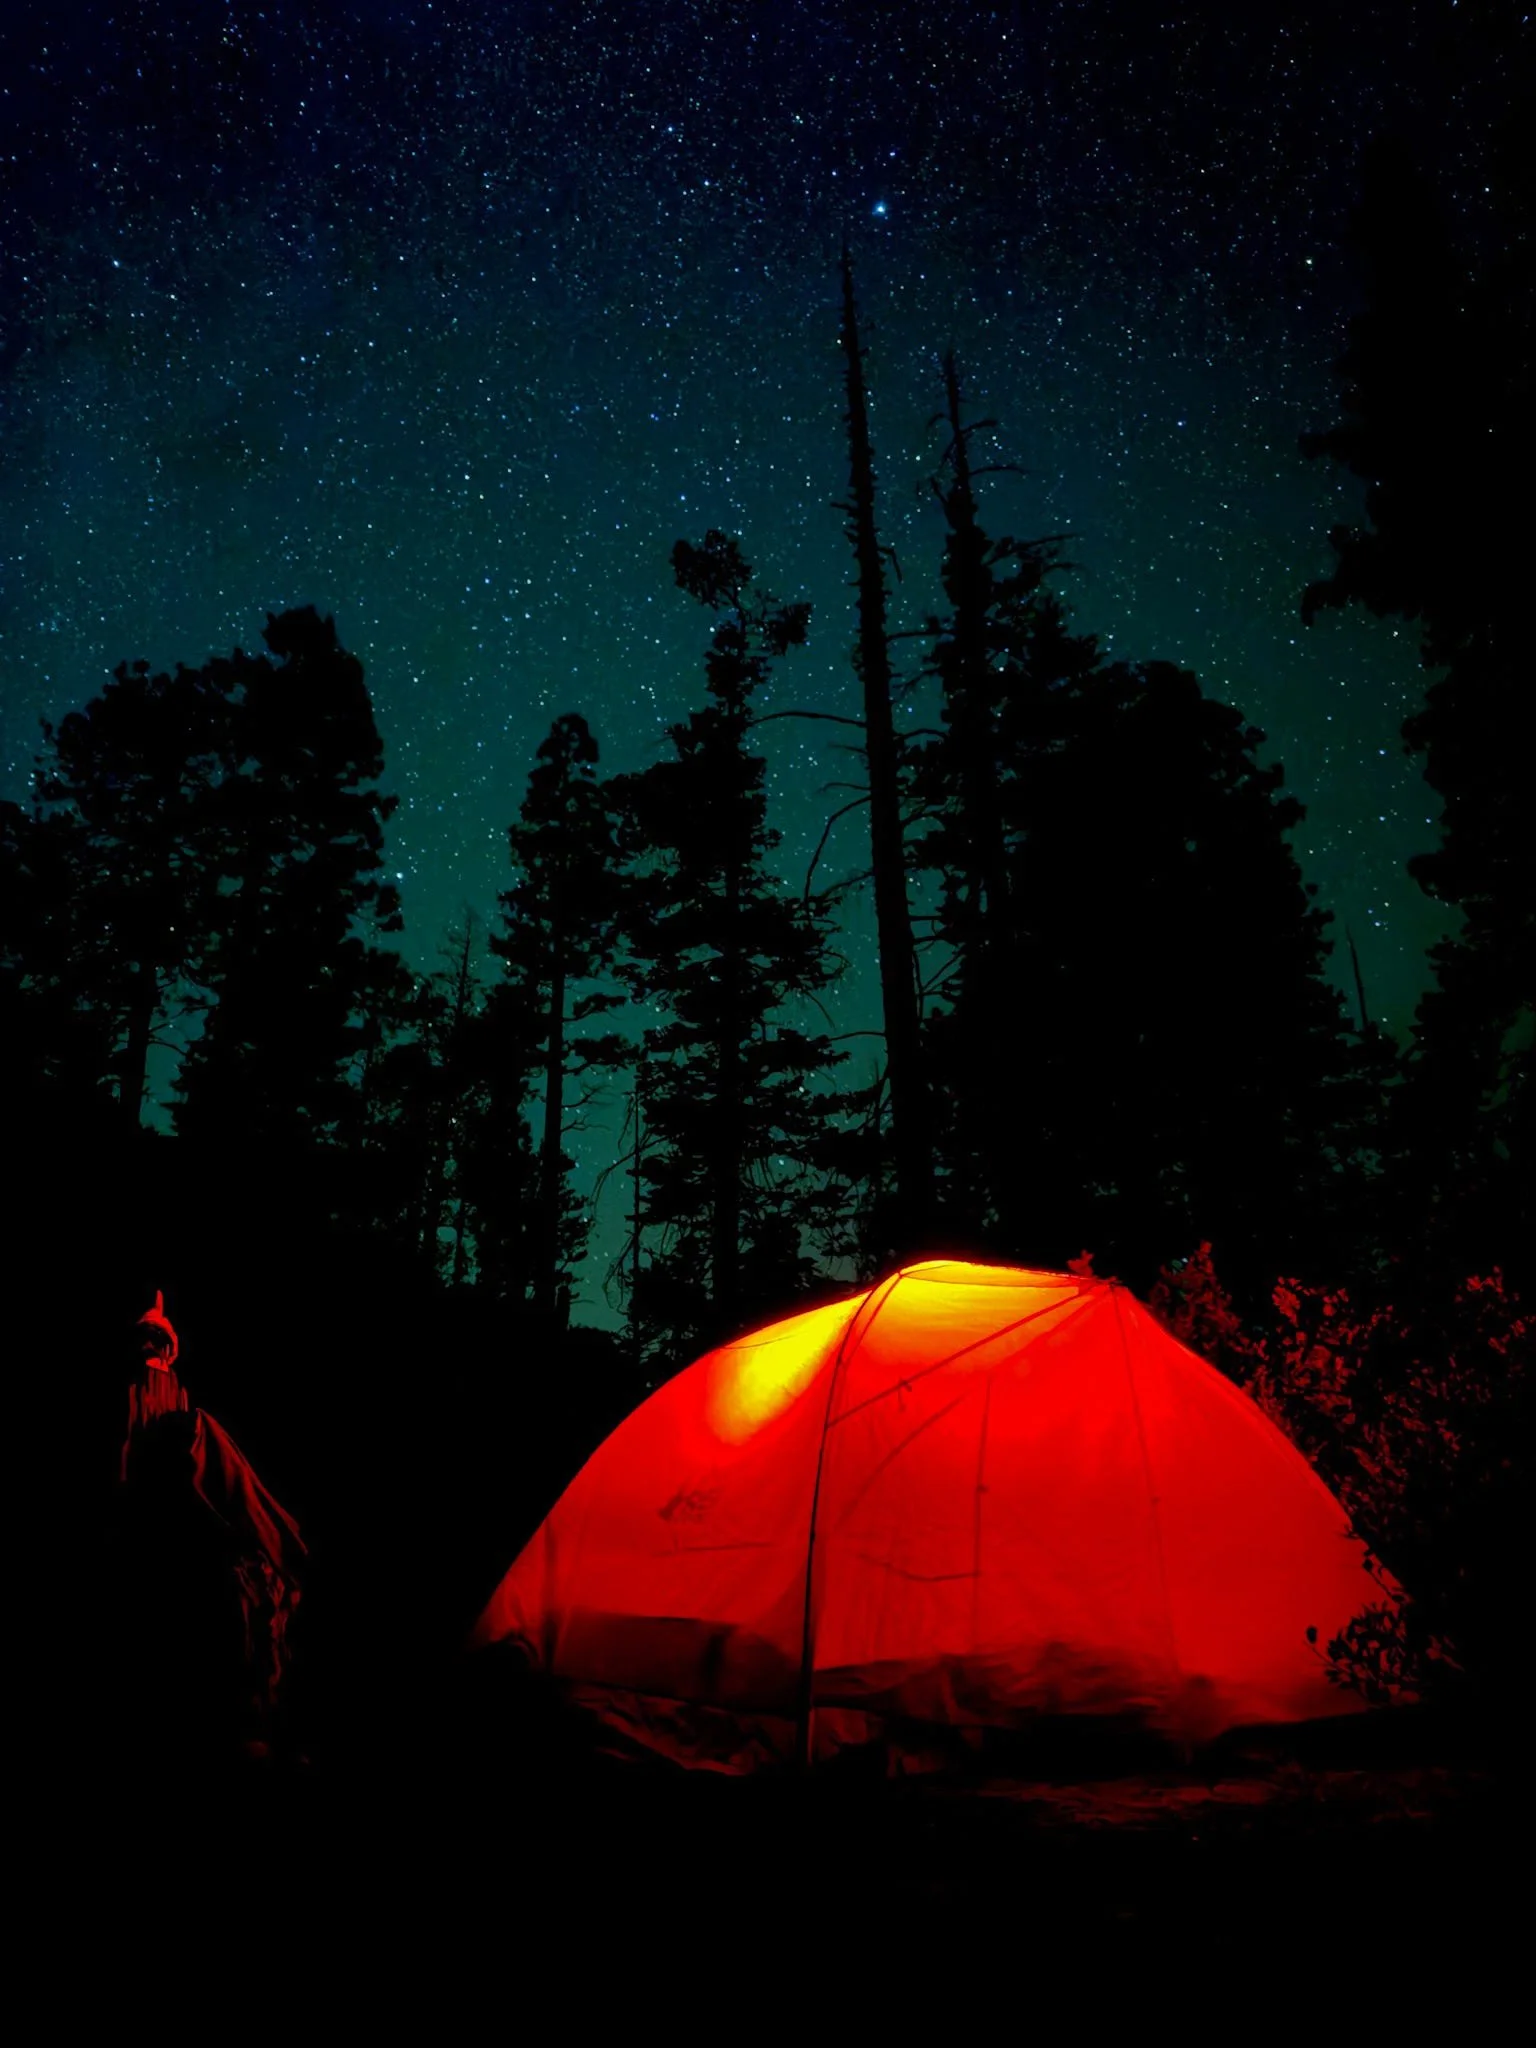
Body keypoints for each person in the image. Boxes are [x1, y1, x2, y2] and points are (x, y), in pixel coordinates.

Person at [109, 1290, 307, 1771]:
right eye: (147, 1343)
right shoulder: (155, 1411)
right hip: (164, 1523)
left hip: (192, 1522)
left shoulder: (184, 1416)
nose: (153, 1357)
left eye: (159, 1344)